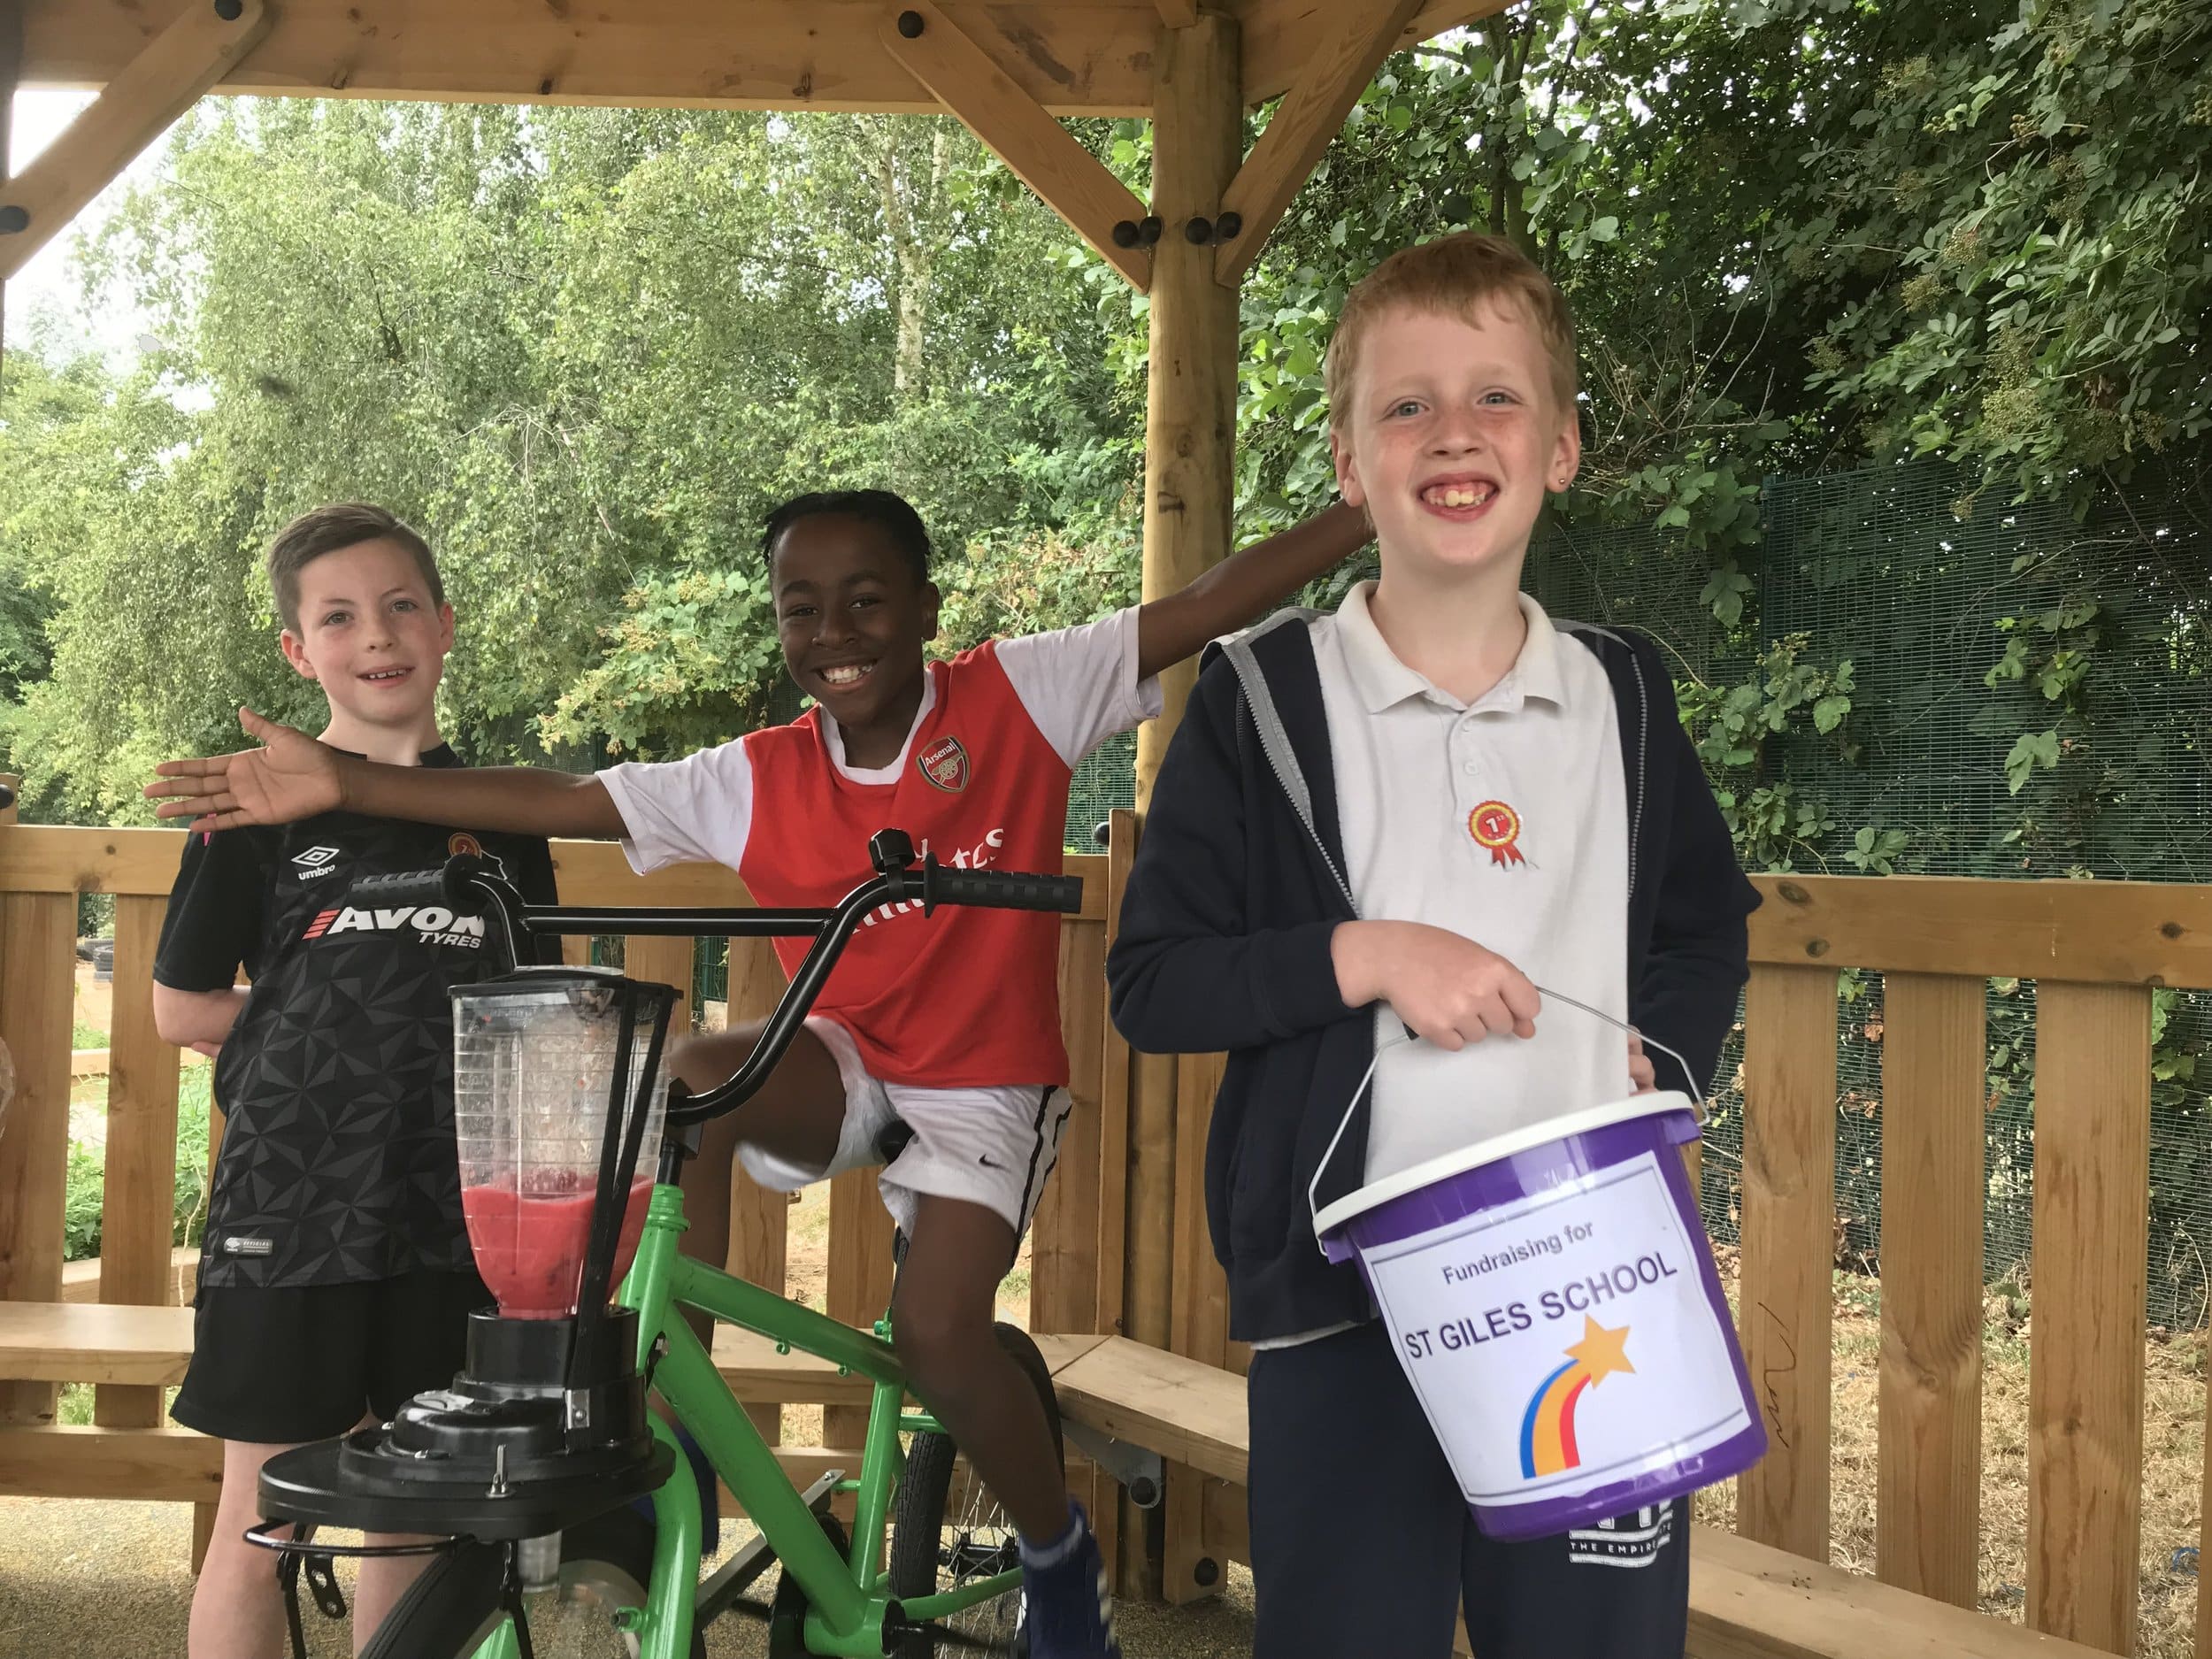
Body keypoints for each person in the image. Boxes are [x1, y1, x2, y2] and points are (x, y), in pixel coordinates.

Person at [149, 488, 1369, 1658]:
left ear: (928, 607)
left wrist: (1366, 508)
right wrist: (352, 781)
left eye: (867, 601)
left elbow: (1209, 599)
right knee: (670, 1078)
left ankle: (1055, 1556)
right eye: (801, 609)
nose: (835, 635)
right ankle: (662, 1402)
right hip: (839, 1060)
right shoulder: (759, 770)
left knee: (945, 1340)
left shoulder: (1023, 691)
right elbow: (574, 799)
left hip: (986, 1081)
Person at [1104, 234, 1760, 1659]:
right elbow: (1152, 981)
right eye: (1406, 406)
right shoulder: (1260, 700)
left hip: (1592, 1281)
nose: (1453, 432)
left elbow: (1710, 924)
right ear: (1349, 463)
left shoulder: (1627, 697)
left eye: (1496, 399)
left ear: (1565, 445)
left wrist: (1670, 1061)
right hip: (1348, 1304)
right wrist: (1368, 954)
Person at [151, 503, 560, 1659]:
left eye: (398, 606)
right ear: (298, 650)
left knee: (415, 1519)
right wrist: (318, 1034)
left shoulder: (502, 821)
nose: (374, 635)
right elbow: (181, 1007)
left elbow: (533, 1015)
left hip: (454, 1217)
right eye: (337, 617)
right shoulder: (252, 805)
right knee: (262, 1511)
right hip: (292, 1212)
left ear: (442, 625)